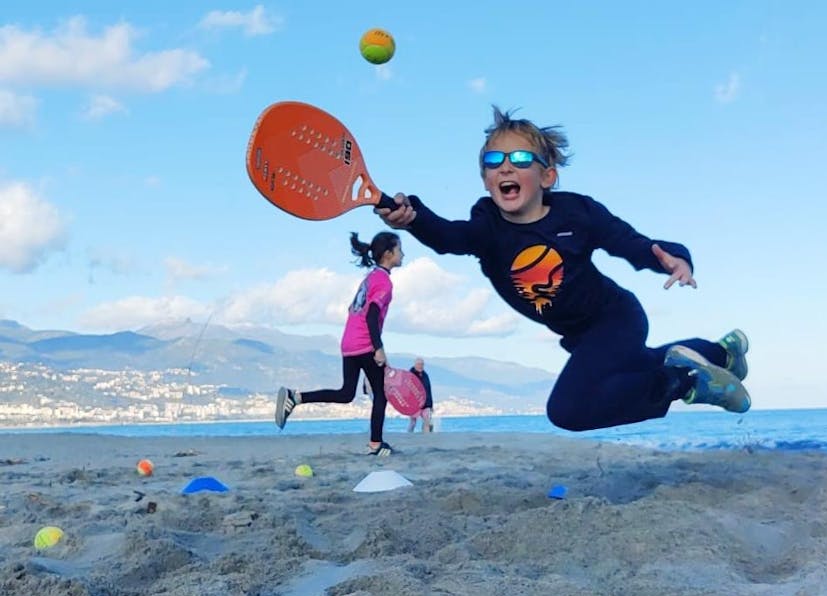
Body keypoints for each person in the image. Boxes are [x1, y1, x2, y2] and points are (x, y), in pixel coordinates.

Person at [375, 106, 750, 432]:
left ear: (547, 176)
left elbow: (629, 242)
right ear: (486, 179)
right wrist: (413, 218)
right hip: (582, 338)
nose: (506, 166)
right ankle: (723, 353)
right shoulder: (487, 226)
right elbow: (448, 236)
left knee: (569, 410)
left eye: (520, 159)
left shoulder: (578, 212)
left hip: (617, 318)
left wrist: (673, 256)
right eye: (494, 161)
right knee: (643, 364)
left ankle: (684, 382)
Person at [274, 231, 403, 456]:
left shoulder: (370, 278)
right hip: (364, 343)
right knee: (380, 395)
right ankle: (375, 445)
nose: (403, 254)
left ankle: (295, 397)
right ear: (388, 254)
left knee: (346, 393)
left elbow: (353, 310)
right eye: (399, 249)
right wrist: (378, 348)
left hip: (349, 342)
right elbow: (372, 315)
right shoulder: (384, 281)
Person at [407, 357, 434, 433]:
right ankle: (408, 436)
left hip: (425, 404)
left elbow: (428, 390)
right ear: (415, 365)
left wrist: (431, 405)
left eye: (422, 364)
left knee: (427, 422)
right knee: (413, 422)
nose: (420, 366)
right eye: (419, 364)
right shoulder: (410, 375)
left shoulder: (425, 375)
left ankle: (426, 438)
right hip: (414, 404)